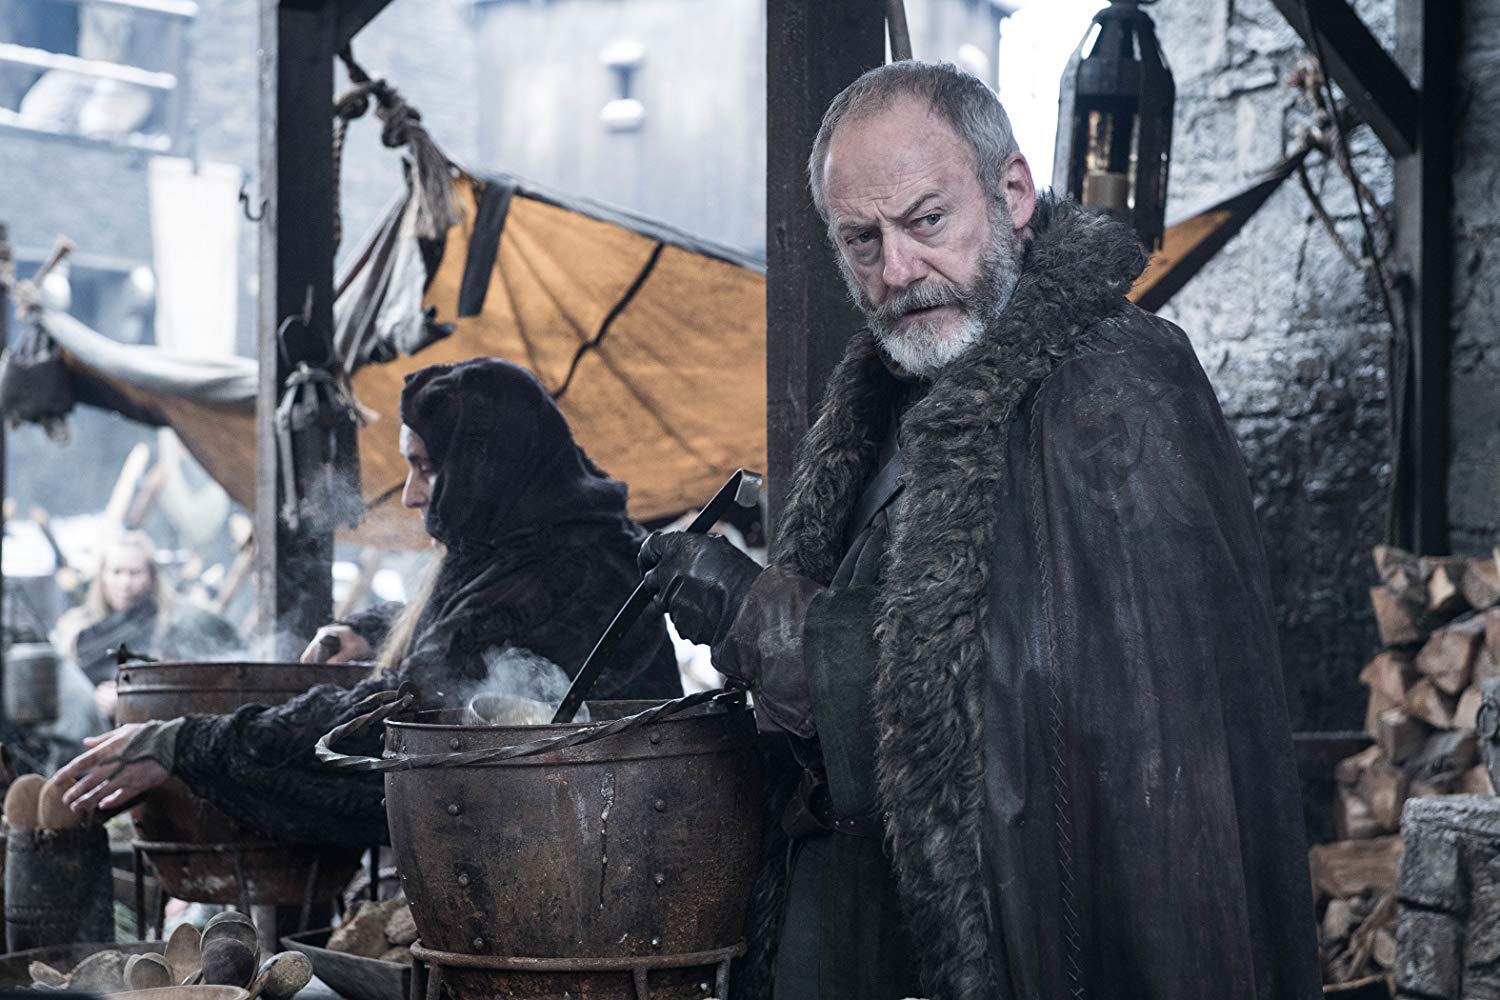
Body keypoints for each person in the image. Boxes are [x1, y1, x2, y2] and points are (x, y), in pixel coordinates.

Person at [639, 62, 1321, 1000]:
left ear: (1013, 193)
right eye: (862, 240)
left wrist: (791, 636)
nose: (898, 271)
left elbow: (1098, 724)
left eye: (926, 221)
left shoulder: (1116, 391)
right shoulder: (895, 392)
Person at [54, 358, 683, 845]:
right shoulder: (551, 535)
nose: (410, 495)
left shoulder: (560, 570)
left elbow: (387, 710)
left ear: (485, 467)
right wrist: (370, 628)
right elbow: (461, 622)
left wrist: (190, 743)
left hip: (602, 846)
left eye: (426, 468)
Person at [52, 530, 241, 720]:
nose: (125, 583)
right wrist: (91, 700)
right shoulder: (76, 629)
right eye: (117, 572)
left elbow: (205, 690)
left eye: (134, 573)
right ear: (103, 576)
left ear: (151, 575)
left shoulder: (178, 623)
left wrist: (135, 701)